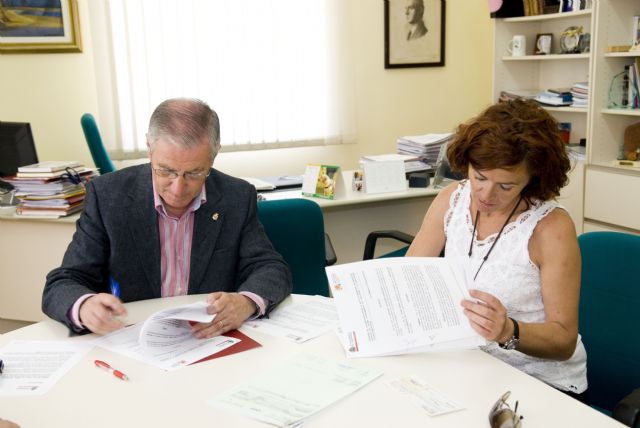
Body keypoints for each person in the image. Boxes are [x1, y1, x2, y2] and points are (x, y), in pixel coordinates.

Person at [42, 98, 292, 338]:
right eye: (166, 171)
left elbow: (271, 268)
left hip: (208, 340)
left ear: (213, 156)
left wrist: (246, 301)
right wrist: (85, 306)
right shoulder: (108, 196)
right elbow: (63, 282)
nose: (178, 188)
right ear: (149, 148)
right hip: (131, 339)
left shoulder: (236, 196)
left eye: (194, 173)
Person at [406, 99, 588, 401]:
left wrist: (508, 331)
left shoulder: (551, 228)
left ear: (533, 180)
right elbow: (408, 276)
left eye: (505, 186)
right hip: (469, 366)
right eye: (479, 177)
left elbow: (564, 339)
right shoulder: (452, 199)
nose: (486, 195)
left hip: (538, 383)